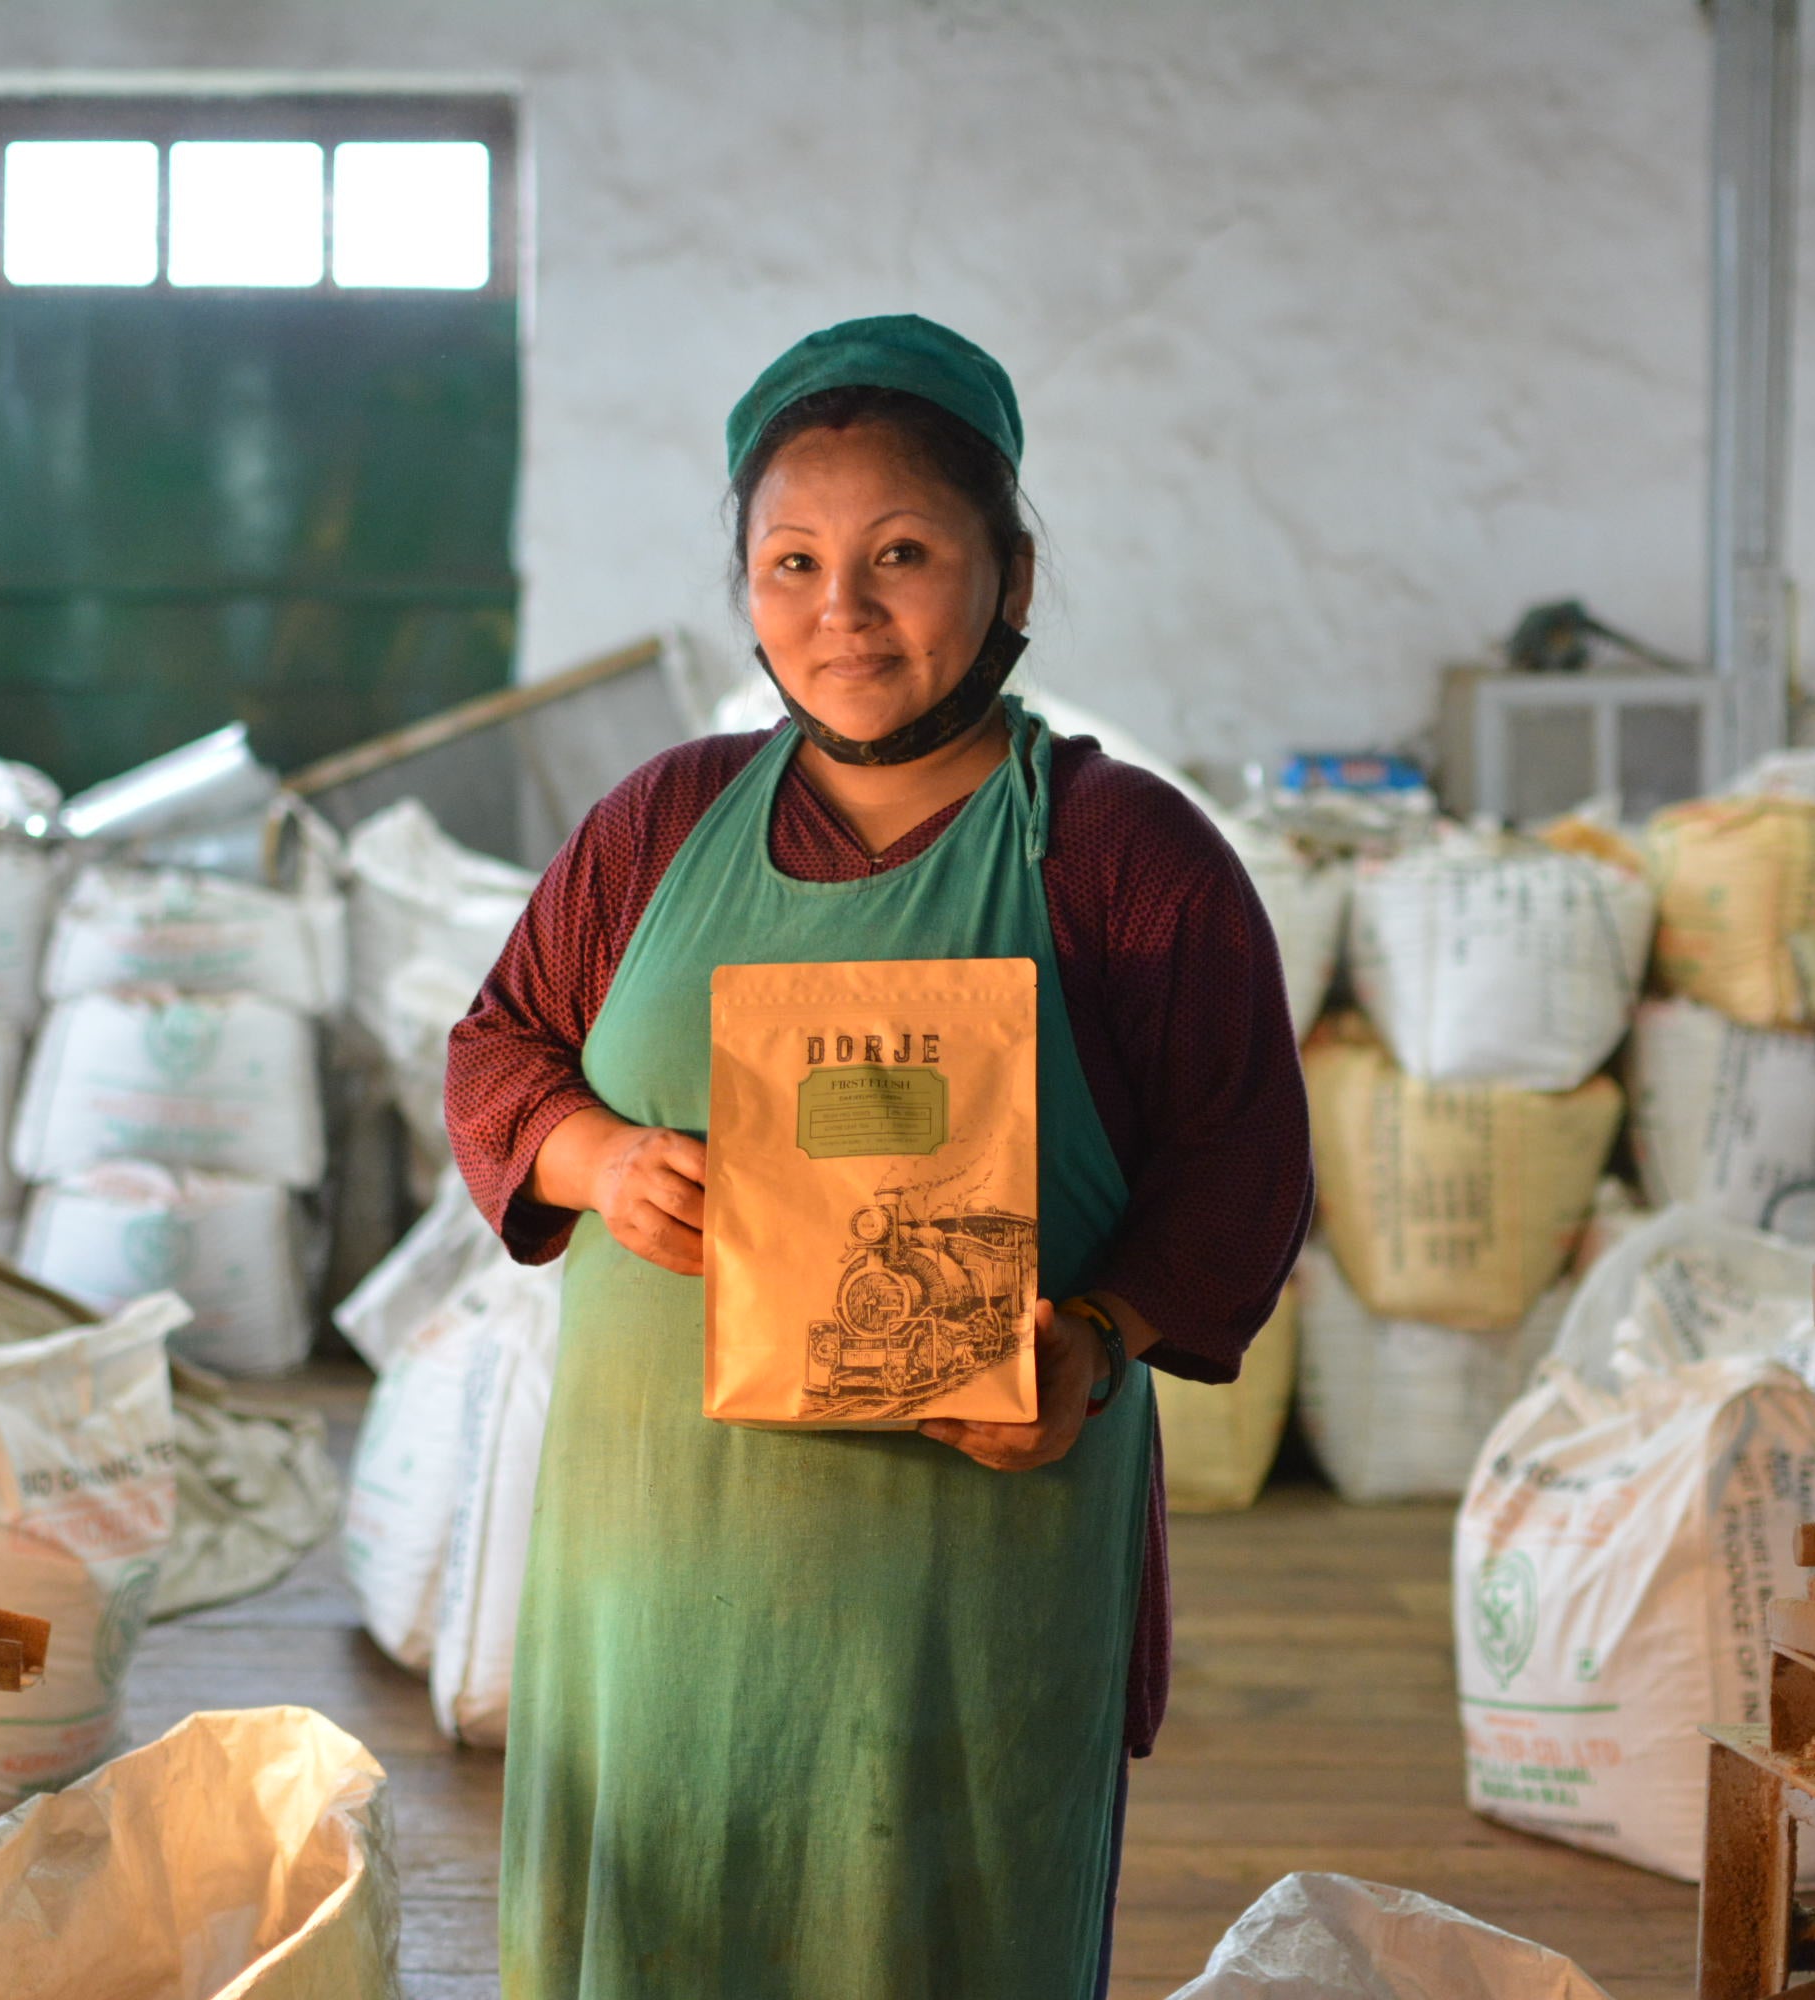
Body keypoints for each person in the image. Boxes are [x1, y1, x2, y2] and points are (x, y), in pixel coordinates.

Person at [444, 314, 1313, 1999]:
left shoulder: (1122, 856)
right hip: (659, 1564)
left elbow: (1240, 1166)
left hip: (961, 1579)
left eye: (901, 553)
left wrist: (1093, 1338)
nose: (839, 610)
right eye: (791, 561)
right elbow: (498, 1049)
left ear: (1013, 572)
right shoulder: (659, 820)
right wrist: (596, 1156)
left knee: (927, 1931)